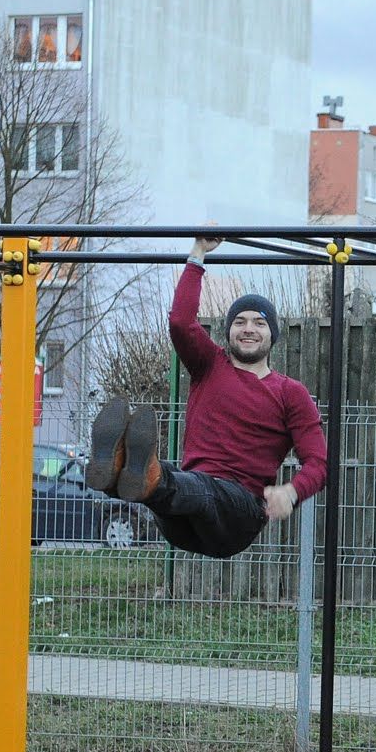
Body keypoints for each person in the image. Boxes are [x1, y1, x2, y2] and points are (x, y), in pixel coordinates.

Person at [87, 235, 327, 559]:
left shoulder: (290, 393)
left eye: (259, 322)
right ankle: (121, 472)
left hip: (237, 516)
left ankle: (142, 473)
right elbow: (180, 322)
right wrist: (198, 252)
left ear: (273, 334)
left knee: (189, 485)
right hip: (182, 516)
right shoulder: (209, 365)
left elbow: (320, 463)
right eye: (239, 322)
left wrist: (293, 491)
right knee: (173, 486)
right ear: (228, 331)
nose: (248, 329)